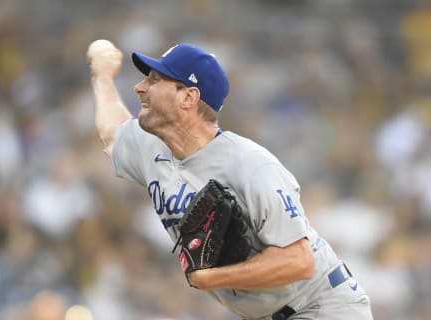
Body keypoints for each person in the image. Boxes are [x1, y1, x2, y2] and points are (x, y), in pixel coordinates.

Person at [86, 40, 374, 320]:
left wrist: (211, 278)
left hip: (321, 305)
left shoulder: (250, 165)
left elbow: (298, 261)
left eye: (154, 80)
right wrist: (102, 76)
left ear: (188, 97)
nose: (140, 88)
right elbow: (113, 132)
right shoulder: (153, 149)